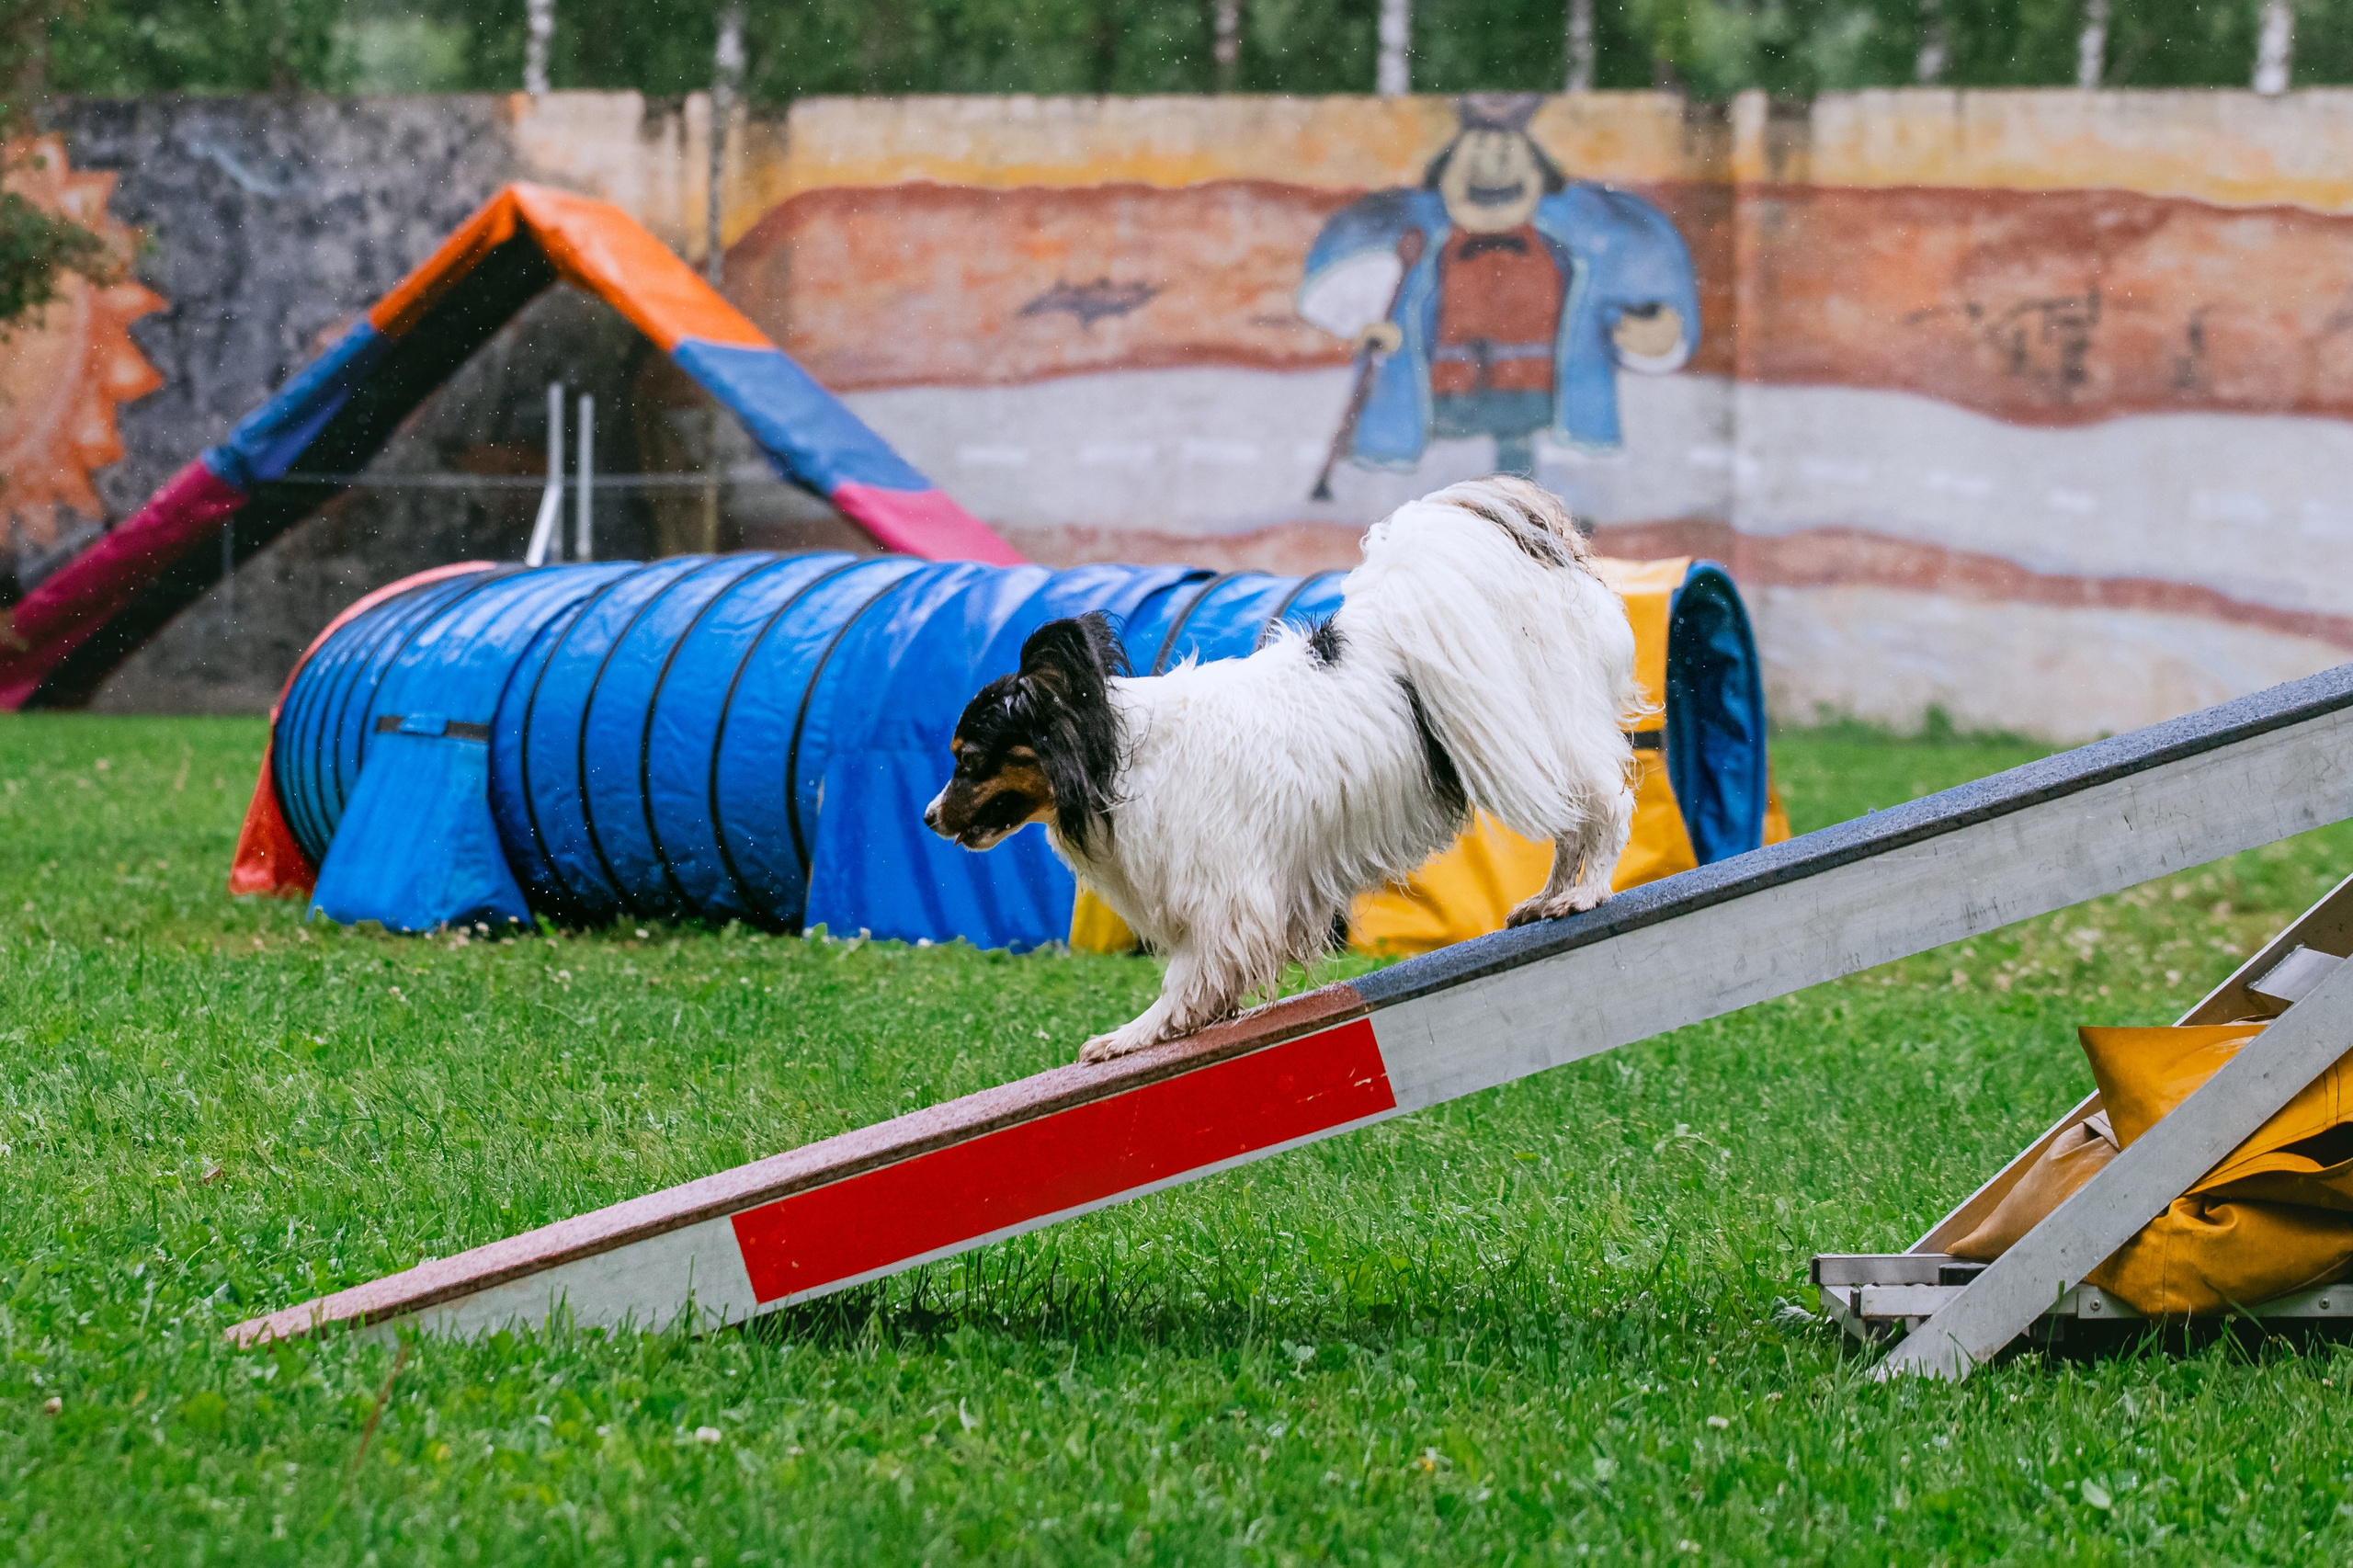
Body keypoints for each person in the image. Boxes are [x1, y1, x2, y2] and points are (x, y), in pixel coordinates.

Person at [1298, 94, 1699, 480]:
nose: (1494, 169)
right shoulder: (1413, 242)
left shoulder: (1581, 246)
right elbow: (1355, 286)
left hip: (1535, 394)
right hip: (1445, 400)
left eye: (1509, 155)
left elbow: (1624, 294)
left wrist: (1655, 333)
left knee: (1523, 475)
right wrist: (1368, 324)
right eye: (1475, 158)